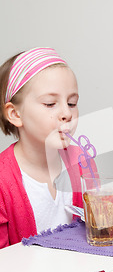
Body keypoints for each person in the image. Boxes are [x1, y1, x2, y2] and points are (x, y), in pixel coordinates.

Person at [0, 47, 90, 248]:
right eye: (50, 104)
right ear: (15, 114)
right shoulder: (2, 180)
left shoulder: (82, 162)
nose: (66, 113)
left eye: (72, 103)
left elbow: (97, 231)